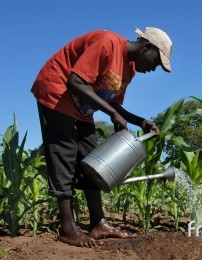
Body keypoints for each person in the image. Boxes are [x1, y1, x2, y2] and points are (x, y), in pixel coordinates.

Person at [31, 27, 173, 247]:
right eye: (156, 62)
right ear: (147, 47)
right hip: (57, 92)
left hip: (82, 107)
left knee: (92, 158)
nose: (154, 68)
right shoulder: (107, 43)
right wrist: (111, 113)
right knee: (65, 155)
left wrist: (139, 121)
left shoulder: (129, 70)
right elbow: (75, 82)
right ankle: (67, 228)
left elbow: (113, 104)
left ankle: (98, 223)